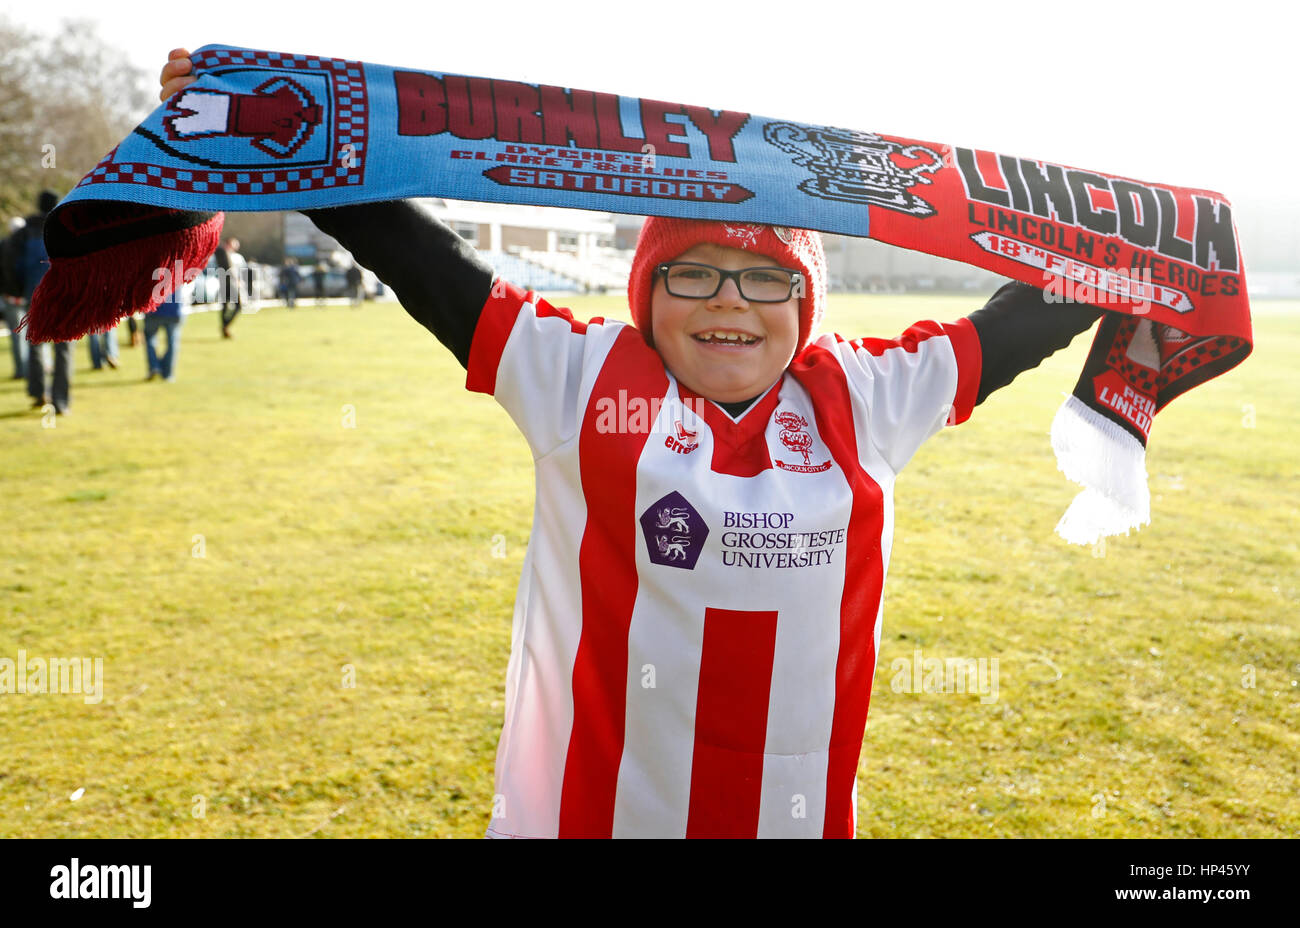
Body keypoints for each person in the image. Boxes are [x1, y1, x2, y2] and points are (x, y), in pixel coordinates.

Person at [161, 49, 1103, 838]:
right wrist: (257, 117)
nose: (729, 300)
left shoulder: (863, 394)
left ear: (806, 307)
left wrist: (1134, 244)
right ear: (646, 294)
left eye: (765, 278)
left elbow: (1027, 318)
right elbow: (420, 260)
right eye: (692, 272)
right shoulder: (578, 378)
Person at [6, 189, 75, 414]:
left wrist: (17, 290)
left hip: (34, 295)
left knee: (35, 346)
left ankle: (38, 393)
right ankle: (60, 400)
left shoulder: (24, 232)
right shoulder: (67, 229)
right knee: (63, 349)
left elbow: (10, 264)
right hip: (63, 296)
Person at [1, 217, 30, 380]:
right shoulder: (29, 244)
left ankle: (22, 370)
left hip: (11, 297)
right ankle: (41, 366)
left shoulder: (4, 245)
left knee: (17, 335)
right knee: (35, 334)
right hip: (28, 295)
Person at [144, 279, 187, 381]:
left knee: (150, 338)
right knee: (172, 342)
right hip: (174, 308)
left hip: (154, 308)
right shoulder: (179, 265)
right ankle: (167, 373)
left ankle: (154, 366)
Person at [214, 236, 244, 338]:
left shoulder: (222, 252)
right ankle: (225, 326)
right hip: (229, 283)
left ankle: (225, 328)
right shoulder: (223, 251)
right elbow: (229, 268)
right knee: (238, 306)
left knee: (225, 306)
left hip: (224, 282)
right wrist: (236, 280)